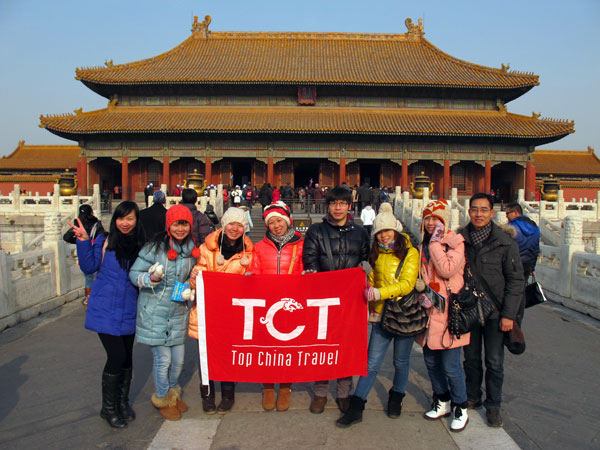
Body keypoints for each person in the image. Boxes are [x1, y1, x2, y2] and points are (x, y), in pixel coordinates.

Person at [336, 209, 418, 428]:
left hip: (404, 314)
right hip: (381, 314)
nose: (384, 236)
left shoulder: (411, 252)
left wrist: (380, 293)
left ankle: (396, 397)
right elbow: (373, 279)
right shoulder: (377, 252)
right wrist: (368, 288)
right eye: (380, 232)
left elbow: (407, 284)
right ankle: (357, 406)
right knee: (371, 363)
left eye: (387, 231)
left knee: (400, 362)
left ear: (396, 230)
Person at [70, 201, 144, 428]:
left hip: (129, 309)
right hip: (104, 309)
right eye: (121, 218)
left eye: (130, 219)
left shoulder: (142, 245)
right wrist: (83, 241)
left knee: (127, 357)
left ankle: (122, 402)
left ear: (136, 221)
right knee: (116, 356)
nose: (125, 223)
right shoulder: (104, 241)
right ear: (115, 220)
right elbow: (89, 267)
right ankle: (108, 408)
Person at [302, 186, 370, 414]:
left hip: (350, 300)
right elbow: (310, 258)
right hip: (323, 298)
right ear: (328, 205)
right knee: (322, 345)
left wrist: (365, 269)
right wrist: (312, 273)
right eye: (333, 203)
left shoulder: (360, 233)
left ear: (349, 206)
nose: (338, 208)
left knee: (346, 346)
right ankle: (320, 391)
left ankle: (344, 392)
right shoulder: (316, 230)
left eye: (342, 203)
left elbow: (365, 258)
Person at [458, 193, 524, 427]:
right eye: (474, 209)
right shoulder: (459, 239)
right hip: (469, 310)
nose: (478, 214)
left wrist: (509, 315)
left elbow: (516, 281)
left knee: (495, 361)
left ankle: (493, 405)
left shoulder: (506, 243)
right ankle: (472, 396)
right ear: (469, 212)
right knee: (471, 358)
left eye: (484, 210)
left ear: (492, 213)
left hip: (496, 313)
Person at [130, 205, 199, 421]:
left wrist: (190, 286)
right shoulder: (154, 248)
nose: (181, 229)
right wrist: (149, 279)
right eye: (177, 224)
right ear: (169, 224)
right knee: (163, 360)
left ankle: (173, 392)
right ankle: (162, 397)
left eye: (185, 224)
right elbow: (134, 273)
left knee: (178, 360)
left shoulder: (191, 249)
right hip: (154, 311)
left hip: (178, 310)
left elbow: (191, 275)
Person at [189, 207, 254, 414]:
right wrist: (196, 278)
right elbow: (198, 272)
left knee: (228, 355)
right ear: (224, 224)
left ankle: (228, 394)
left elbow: (253, 281)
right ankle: (207, 395)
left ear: (245, 228)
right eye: (231, 224)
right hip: (207, 312)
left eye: (240, 225)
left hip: (233, 314)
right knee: (205, 356)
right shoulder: (207, 249)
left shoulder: (249, 253)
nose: (235, 228)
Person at [416, 200, 470, 432]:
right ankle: (442, 400)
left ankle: (461, 406)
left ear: (444, 221)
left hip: (450, 314)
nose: (430, 223)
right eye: (427, 218)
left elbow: (448, 270)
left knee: (450, 365)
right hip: (429, 310)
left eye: (435, 219)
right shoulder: (422, 245)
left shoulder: (454, 243)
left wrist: (437, 242)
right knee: (430, 362)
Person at [249, 201, 304, 412]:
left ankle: (286, 387)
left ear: (288, 221)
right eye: (271, 222)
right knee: (267, 348)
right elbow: (255, 271)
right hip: (268, 305)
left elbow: (305, 270)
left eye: (279, 220)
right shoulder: (260, 247)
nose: (276, 225)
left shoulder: (301, 245)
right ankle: (268, 387)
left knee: (288, 348)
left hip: (291, 304)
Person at [63, 204, 105, 307]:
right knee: (96, 276)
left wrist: (80, 241)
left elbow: (66, 237)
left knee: (88, 278)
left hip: (83, 253)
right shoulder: (96, 223)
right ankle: (95, 297)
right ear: (91, 212)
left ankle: (88, 297)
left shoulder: (78, 224)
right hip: (95, 251)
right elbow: (102, 237)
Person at [505, 202, 540, 280]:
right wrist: (532, 267)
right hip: (528, 264)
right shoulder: (535, 227)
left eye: (507, 213)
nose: (506, 216)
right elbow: (536, 250)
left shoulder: (510, 227)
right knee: (522, 287)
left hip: (513, 265)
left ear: (515, 213)